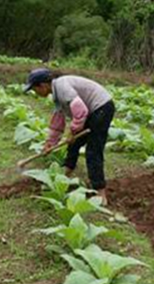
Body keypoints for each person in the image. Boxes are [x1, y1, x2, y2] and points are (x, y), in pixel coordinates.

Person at [24, 69, 115, 205]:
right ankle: (65, 176)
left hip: (101, 108)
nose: (35, 93)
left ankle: (100, 193)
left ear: (42, 85)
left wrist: (72, 133)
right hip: (93, 111)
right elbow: (57, 122)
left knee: (93, 151)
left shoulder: (62, 87)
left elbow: (81, 111)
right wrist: (50, 143)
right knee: (73, 144)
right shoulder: (56, 94)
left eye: (34, 89)